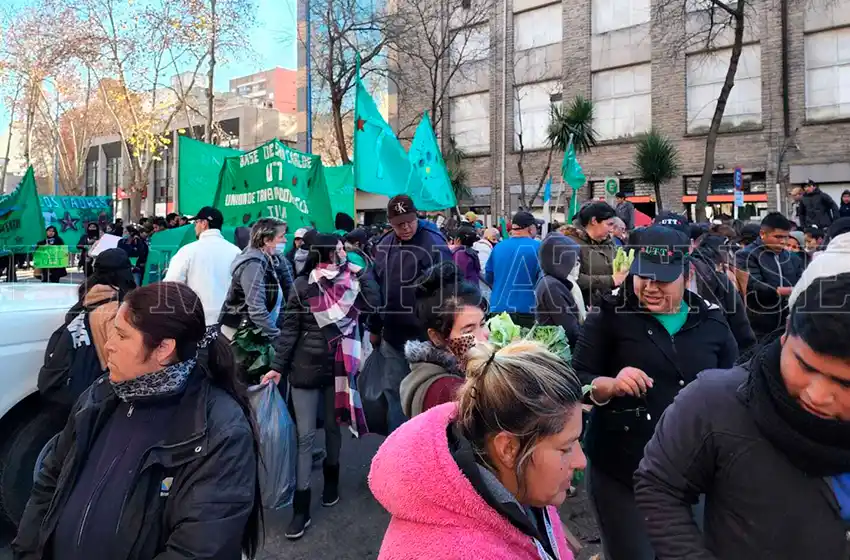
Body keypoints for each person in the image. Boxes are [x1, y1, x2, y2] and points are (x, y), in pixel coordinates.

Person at [13, 282, 262, 560]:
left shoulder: (219, 430)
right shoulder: (100, 395)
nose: (108, 345)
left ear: (164, 348)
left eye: (121, 335)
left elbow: (198, 549)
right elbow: (50, 479)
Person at [635, 272, 850, 559]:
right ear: (786, 334)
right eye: (805, 367)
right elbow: (659, 484)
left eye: (845, 384)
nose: (818, 395)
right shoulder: (717, 403)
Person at [572, 224, 738, 560]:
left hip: (694, 471)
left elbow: (737, 383)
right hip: (622, 467)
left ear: (686, 273)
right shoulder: (609, 314)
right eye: (643, 276)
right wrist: (610, 384)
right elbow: (577, 379)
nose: (650, 287)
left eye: (662, 279)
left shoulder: (711, 321)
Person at [370, 340, 584, 560]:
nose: (581, 461)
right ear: (508, 448)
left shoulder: (524, 484)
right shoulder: (452, 553)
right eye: (566, 448)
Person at [263, 234, 378, 540]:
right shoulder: (303, 287)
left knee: (332, 428)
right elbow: (289, 330)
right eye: (338, 249)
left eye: (343, 248)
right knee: (305, 437)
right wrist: (277, 368)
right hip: (305, 368)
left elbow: (374, 303)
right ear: (324, 254)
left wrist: (362, 272)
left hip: (338, 369)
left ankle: (331, 479)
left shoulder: (353, 283)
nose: (343, 252)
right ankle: (301, 507)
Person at [368, 195, 451, 432]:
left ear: (417, 217)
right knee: (395, 396)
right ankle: (398, 456)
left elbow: (448, 291)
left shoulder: (434, 243)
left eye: (409, 222)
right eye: (398, 224)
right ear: (390, 222)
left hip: (426, 340)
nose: (405, 228)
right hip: (393, 337)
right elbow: (376, 291)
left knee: (426, 399)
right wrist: (374, 328)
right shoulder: (384, 245)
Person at [656, 211, 756, 352]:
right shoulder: (635, 286)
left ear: (691, 246)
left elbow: (744, 340)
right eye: (658, 241)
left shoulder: (718, 283)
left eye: (677, 241)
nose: (667, 248)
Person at [401, 262, 488, 419]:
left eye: (482, 324)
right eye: (468, 331)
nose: (483, 337)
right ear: (436, 337)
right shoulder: (447, 391)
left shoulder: (463, 370)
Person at [164, 207, 241, 328]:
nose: (195, 226)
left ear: (204, 223)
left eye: (196, 222)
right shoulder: (236, 251)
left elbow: (171, 287)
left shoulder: (187, 251)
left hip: (197, 321)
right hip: (229, 323)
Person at [736, 212, 804, 340]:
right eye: (778, 237)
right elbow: (754, 285)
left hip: (790, 324)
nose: (783, 241)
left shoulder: (792, 257)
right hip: (759, 326)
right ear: (762, 234)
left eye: (786, 237)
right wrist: (784, 291)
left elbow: (801, 280)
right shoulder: (746, 255)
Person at [220, 217, 287, 343]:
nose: (285, 240)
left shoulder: (270, 261)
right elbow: (257, 309)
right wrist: (277, 336)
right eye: (281, 236)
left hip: (255, 333)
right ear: (267, 240)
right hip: (242, 339)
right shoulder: (253, 265)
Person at [484, 211, 541, 327]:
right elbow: (542, 280)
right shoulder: (538, 247)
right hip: (526, 309)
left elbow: (488, 277)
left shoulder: (498, 247)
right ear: (530, 228)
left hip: (498, 309)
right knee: (523, 345)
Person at [563, 201, 620, 308]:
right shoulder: (570, 243)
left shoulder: (609, 242)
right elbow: (571, 278)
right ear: (594, 221)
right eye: (609, 224)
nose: (612, 229)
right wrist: (610, 280)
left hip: (608, 305)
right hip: (582, 308)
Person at [534, 233, 583, 348]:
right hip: (559, 351)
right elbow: (570, 330)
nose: (576, 265)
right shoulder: (553, 286)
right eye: (574, 260)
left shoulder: (551, 281)